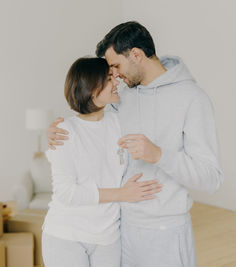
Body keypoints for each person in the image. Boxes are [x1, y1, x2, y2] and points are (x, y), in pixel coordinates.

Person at [47, 21, 223, 267]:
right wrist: (57, 132)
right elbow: (90, 121)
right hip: (121, 231)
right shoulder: (123, 97)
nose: (115, 75)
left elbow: (211, 178)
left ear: (137, 55)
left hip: (165, 232)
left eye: (116, 66)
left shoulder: (193, 99)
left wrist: (160, 155)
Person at [42, 57, 162, 267]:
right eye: (108, 79)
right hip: (66, 235)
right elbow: (67, 193)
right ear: (91, 87)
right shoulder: (65, 132)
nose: (116, 82)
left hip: (108, 237)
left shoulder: (118, 123)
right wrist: (122, 194)